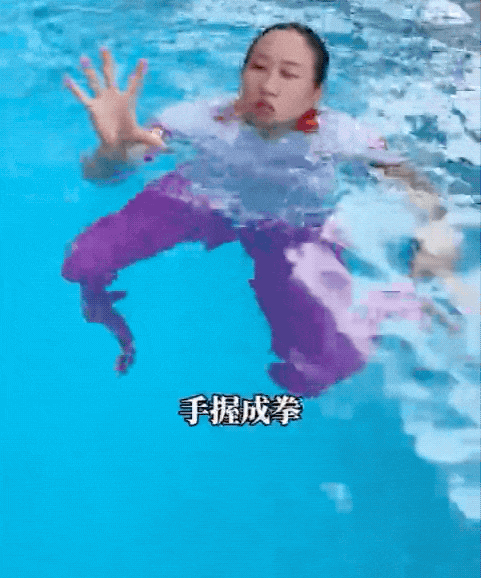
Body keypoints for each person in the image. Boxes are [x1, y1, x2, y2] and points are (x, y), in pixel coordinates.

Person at [62, 23, 458, 395]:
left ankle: (385, 307)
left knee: (318, 369)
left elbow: (411, 182)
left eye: (289, 74)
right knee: (83, 261)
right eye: (258, 67)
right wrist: (112, 153)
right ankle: (106, 314)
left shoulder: (342, 135)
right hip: (199, 201)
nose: (268, 85)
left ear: (315, 93)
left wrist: (436, 235)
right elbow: (108, 174)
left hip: (290, 228)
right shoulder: (196, 119)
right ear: (242, 74)